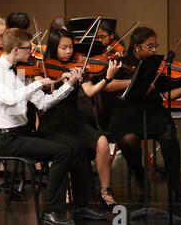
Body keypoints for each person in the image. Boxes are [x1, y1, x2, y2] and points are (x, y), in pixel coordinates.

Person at [0, 27, 104, 225]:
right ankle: (52, 210)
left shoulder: (19, 74)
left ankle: (81, 205)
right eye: (27, 48)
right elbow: (10, 98)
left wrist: (70, 83)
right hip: (7, 140)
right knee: (62, 152)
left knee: (76, 146)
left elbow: (45, 103)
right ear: (15, 50)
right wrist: (37, 84)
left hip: (23, 134)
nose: (31, 52)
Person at [37, 28, 121, 210]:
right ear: (54, 47)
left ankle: (105, 191)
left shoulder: (77, 65)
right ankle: (69, 189)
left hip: (75, 118)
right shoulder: (42, 67)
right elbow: (41, 92)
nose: (68, 51)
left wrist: (107, 78)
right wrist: (62, 79)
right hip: (53, 121)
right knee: (71, 147)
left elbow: (90, 91)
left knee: (102, 142)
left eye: (70, 47)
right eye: (63, 48)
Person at [105, 27, 181, 202]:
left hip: (152, 109)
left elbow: (166, 95)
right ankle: (139, 171)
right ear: (137, 48)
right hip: (126, 110)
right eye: (149, 46)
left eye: (155, 45)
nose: (154, 50)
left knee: (168, 135)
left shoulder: (157, 64)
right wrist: (135, 82)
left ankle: (174, 181)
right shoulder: (121, 61)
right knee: (129, 140)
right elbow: (108, 85)